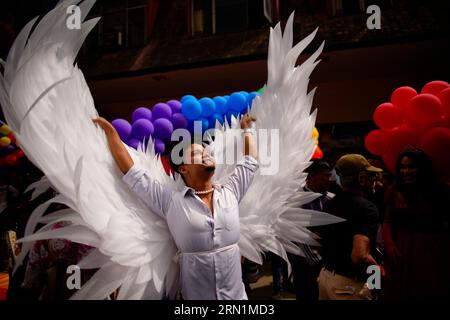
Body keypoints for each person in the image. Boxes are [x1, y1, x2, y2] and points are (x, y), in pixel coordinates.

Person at [93, 114, 258, 300]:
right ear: (183, 169)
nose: (205, 154)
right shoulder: (171, 202)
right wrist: (111, 133)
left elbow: (250, 162)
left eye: (206, 151)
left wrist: (247, 129)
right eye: (196, 153)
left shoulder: (232, 192)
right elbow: (133, 173)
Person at [382, 148, 450, 300]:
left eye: (411, 166)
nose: (407, 171)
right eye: (403, 167)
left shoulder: (439, 191)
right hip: (402, 249)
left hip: (432, 249)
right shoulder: (394, 190)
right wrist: (390, 244)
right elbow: (387, 220)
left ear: (421, 168)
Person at [317, 154, 383, 300]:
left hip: (325, 278)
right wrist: (377, 270)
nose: (375, 180)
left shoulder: (330, 203)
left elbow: (318, 242)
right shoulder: (367, 208)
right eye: (371, 175)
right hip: (349, 286)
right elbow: (359, 255)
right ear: (362, 179)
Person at [289, 160, 334, 301]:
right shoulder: (296, 200)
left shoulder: (331, 198)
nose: (329, 179)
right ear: (312, 176)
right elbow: (299, 232)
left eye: (329, 175)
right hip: (305, 262)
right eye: (324, 176)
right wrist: (317, 258)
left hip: (328, 262)